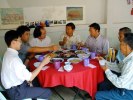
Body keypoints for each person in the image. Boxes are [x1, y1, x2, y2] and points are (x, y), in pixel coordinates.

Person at [1, 30, 52, 100]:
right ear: (13, 42)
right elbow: (30, 77)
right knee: (48, 92)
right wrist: (43, 63)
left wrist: (28, 81)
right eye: (19, 41)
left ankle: (33, 95)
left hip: (15, 86)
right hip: (16, 92)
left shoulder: (8, 53)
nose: (21, 43)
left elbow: (19, 72)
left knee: (36, 81)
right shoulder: (13, 59)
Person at [95, 33, 133, 100]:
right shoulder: (129, 57)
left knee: (97, 95)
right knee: (102, 84)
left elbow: (120, 83)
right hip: (124, 85)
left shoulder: (131, 63)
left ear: (126, 46)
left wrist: (106, 70)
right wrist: (104, 61)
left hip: (127, 92)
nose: (119, 47)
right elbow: (118, 67)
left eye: (121, 44)